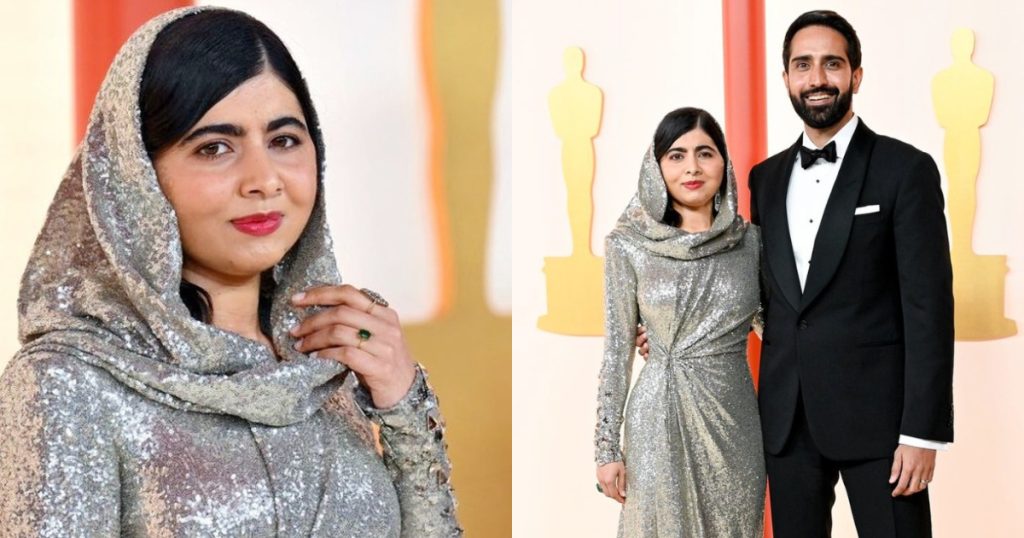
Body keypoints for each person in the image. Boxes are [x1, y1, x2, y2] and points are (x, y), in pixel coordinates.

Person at [0, 7, 461, 536]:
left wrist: (403, 403)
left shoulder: (321, 362)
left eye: (284, 140)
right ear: (137, 179)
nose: (263, 179)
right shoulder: (68, 382)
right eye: (215, 147)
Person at [749, 10, 953, 537]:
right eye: (802, 65)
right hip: (786, 422)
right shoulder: (764, 180)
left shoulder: (905, 170)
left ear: (856, 75)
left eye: (831, 64)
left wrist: (922, 433)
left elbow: (928, 308)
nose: (817, 79)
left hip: (883, 427)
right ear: (787, 78)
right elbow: (759, 295)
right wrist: (666, 326)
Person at [595, 107, 765, 537]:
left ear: (724, 163)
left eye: (705, 153)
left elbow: (779, 331)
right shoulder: (628, 245)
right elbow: (616, 351)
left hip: (734, 424)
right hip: (657, 420)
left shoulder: (751, 244)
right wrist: (605, 449)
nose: (692, 167)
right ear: (656, 167)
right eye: (676, 155)